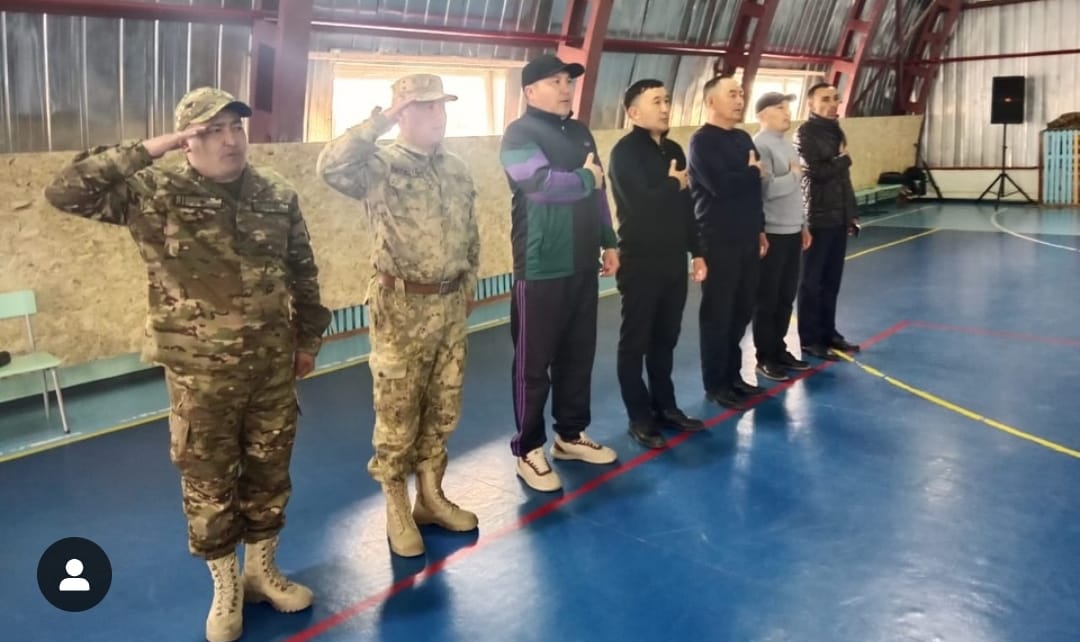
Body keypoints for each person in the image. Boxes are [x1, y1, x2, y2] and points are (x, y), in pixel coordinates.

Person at [44, 86, 331, 642]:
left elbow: (303, 271)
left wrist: (308, 341)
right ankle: (226, 587)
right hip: (200, 376)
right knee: (209, 483)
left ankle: (261, 572)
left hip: (272, 368)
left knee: (270, 475)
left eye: (236, 128)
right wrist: (152, 148)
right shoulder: (154, 192)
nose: (230, 141)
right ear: (187, 141)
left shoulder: (276, 192)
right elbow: (66, 190)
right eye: (211, 131)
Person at [317, 73, 480, 558]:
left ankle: (431, 497)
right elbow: (331, 166)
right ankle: (396, 506)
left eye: (440, 106)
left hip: (449, 306)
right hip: (401, 307)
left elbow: (470, 232)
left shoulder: (456, 168)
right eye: (424, 107)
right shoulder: (379, 164)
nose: (437, 116)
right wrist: (380, 121)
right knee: (398, 411)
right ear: (402, 114)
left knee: (443, 406)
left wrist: (469, 281)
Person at [500, 54, 620, 492]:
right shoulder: (519, 134)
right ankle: (528, 449)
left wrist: (609, 239)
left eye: (568, 81)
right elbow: (539, 185)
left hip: (583, 260)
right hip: (541, 264)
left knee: (577, 354)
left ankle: (570, 435)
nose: (566, 87)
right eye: (555, 81)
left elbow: (599, 189)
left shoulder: (580, 131)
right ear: (531, 91)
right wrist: (585, 179)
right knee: (533, 364)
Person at [607, 79, 707, 449]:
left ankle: (666, 406)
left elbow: (686, 207)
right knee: (635, 342)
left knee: (665, 339)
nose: (665, 108)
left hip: (672, 261)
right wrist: (672, 184)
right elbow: (639, 205)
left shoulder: (674, 150)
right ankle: (639, 416)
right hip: (640, 261)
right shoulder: (624, 153)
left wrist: (697, 250)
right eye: (656, 102)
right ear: (634, 112)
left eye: (667, 100)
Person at [688, 76, 770, 411]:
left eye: (741, 93)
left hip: (748, 236)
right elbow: (721, 185)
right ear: (711, 102)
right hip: (718, 238)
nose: (739, 100)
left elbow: (752, 189)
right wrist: (752, 173)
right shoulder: (702, 142)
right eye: (731, 94)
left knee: (741, 310)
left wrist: (760, 228)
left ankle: (734, 376)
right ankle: (716, 384)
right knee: (718, 314)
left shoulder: (742, 137)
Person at [793, 82, 862, 360]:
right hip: (817, 217)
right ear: (811, 103)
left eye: (835, 98)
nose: (832, 104)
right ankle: (810, 339)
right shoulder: (805, 133)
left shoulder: (836, 131)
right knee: (811, 282)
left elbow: (843, 180)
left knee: (831, 281)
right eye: (825, 99)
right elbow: (816, 172)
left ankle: (828, 332)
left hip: (837, 217)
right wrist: (844, 160)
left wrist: (850, 213)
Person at [750, 92, 813, 382]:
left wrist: (802, 224)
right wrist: (794, 175)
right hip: (773, 233)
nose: (787, 113)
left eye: (788, 108)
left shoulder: (787, 145)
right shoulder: (759, 145)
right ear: (762, 115)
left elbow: (795, 194)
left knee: (785, 297)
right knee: (767, 298)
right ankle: (765, 356)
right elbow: (767, 190)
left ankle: (779, 348)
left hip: (792, 230)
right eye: (780, 108)